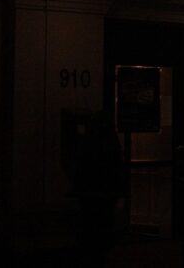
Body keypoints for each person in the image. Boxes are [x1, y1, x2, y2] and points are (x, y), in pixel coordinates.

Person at [72, 110, 125, 265]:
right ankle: (100, 252)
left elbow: (81, 167)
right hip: (105, 193)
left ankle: (93, 252)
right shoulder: (109, 141)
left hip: (90, 193)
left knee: (90, 225)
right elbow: (117, 166)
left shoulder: (88, 142)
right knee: (103, 224)